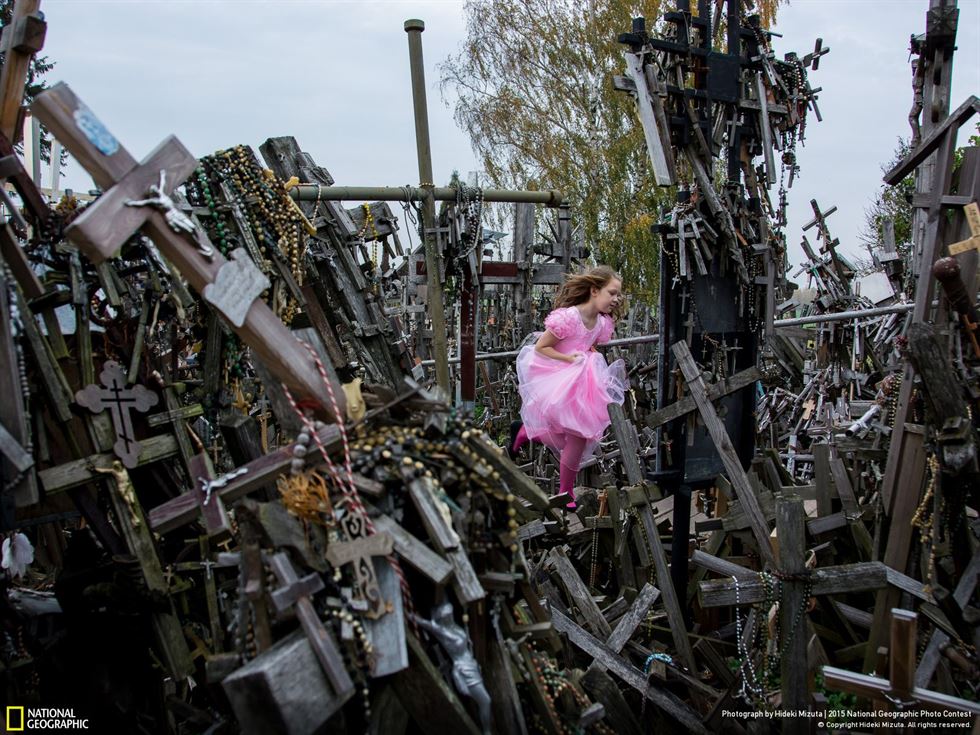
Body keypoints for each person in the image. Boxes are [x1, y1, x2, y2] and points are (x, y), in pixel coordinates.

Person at [509, 266, 628, 510]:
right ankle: (566, 492)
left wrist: (589, 353)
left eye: (618, 295)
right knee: (575, 436)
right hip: (556, 375)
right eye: (612, 293)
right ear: (595, 291)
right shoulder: (568, 317)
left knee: (578, 437)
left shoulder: (601, 323)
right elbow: (542, 347)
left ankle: (526, 435)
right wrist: (570, 359)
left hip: (583, 380)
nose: (616, 299)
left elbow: (588, 343)